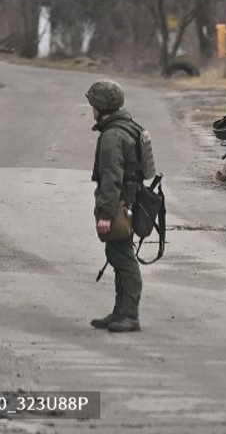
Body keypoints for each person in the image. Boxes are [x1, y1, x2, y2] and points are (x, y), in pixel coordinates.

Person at [87, 79, 145, 333]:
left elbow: (111, 177)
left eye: (93, 104)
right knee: (117, 255)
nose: (91, 109)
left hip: (119, 205)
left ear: (101, 107)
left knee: (123, 259)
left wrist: (107, 215)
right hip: (128, 202)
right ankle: (120, 312)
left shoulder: (112, 135)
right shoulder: (126, 126)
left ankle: (129, 315)